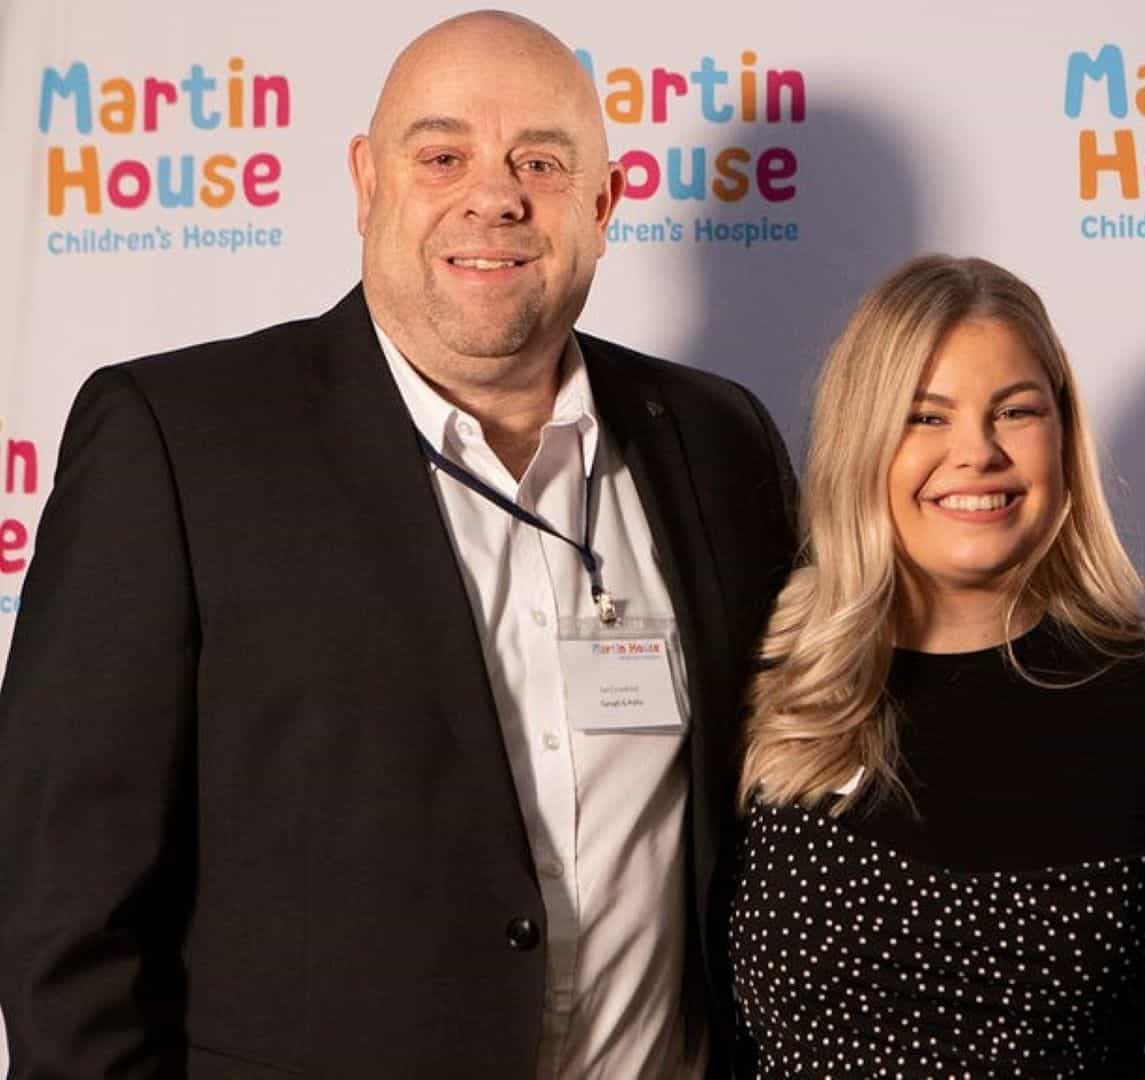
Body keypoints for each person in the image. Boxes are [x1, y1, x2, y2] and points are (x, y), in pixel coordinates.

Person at [0, 12, 794, 1077]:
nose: (495, 195)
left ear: (604, 206)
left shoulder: (716, 439)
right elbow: (65, 901)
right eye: (443, 154)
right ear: (367, 183)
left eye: (542, 162)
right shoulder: (179, 440)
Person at [727, 254, 1145, 1076]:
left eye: (1016, 411)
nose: (977, 453)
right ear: (862, 440)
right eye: (926, 417)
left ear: (1063, 435)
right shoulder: (761, 678)